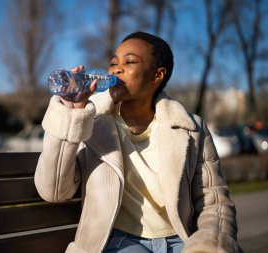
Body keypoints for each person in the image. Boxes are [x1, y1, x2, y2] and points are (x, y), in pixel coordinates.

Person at [34, 31, 240, 253]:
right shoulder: (91, 123)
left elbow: (214, 201)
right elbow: (54, 191)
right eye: (113, 63)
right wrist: (71, 114)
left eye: (129, 61)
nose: (116, 69)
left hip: (181, 240)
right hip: (120, 241)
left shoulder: (191, 128)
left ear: (158, 75)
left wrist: (208, 244)